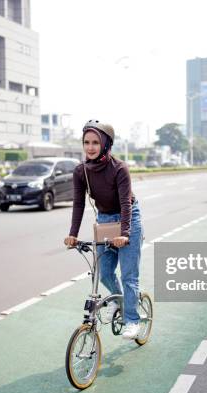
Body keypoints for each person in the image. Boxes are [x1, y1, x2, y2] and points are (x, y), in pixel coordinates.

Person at [64, 119, 144, 340]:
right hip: (106, 219)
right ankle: (120, 301)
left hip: (129, 219)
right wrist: (73, 234)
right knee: (105, 273)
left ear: (106, 145)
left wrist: (125, 234)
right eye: (86, 142)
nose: (90, 147)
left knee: (129, 275)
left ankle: (133, 320)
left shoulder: (119, 168)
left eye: (95, 143)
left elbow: (126, 204)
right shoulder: (81, 171)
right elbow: (78, 204)